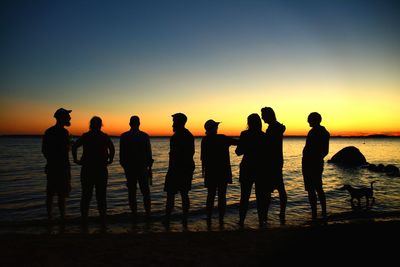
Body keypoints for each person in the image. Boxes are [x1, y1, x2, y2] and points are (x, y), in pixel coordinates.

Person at [72, 116, 115, 226]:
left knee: (86, 195)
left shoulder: (86, 136)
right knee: (101, 195)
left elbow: (74, 146)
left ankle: (84, 219)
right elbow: (112, 148)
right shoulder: (104, 136)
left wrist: (75, 159)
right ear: (101, 125)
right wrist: (110, 159)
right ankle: (102, 219)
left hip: (88, 169)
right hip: (100, 169)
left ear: (91, 125)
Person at [201, 119, 238, 227]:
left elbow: (203, 158)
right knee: (222, 196)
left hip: (210, 171)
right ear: (214, 128)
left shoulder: (205, 140)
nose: (217, 128)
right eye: (216, 127)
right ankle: (221, 219)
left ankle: (209, 218)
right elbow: (237, 142)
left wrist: (204, 171)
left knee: (210, 195)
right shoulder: (222, 138)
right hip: (223, 171)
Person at [235, 113, 267, 227]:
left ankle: (241, 221)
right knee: (260, 196)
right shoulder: (264, 136)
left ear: (248, 122)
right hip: (260, 168)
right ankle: (261, 221)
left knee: (244, 196)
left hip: (247, 167)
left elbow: (238, 152)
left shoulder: (244, 134)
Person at [163, 113, 195, 227]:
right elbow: (191, 153)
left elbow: (175, 155)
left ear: (179, 122)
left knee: (171, 195)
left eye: (174, 121)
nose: (172, 124)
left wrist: (171, 169)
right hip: (186, 168)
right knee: (184, 194)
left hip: (177, 169)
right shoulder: (189, 135)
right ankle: (184, 219)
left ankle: (167, 219)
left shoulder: (176, 137)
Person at [120, 116, 153, 221]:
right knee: (145, 192)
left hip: (130, 168)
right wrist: (149, 167)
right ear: (139, 123)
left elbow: (122, 156)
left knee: (132, 192)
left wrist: (125, 167)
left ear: (130, 124)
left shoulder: (124, 136)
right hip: (142, 167)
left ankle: (134, 214)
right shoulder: (144, 136)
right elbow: (149, 154)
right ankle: (148, 214)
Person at [42, 108, 72, 222]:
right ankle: (62, 217)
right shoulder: (64, 133)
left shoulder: (48, 131)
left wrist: (51, 161)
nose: (70, 118)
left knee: (50, 193)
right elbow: (63, 150)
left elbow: (45, 150)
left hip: (52, 166)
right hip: (61, 167)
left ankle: (50, 217)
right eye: (68, 116)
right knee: (61, 194)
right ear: (61, 118)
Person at [261, 107, 287, 223]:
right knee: (279, 188)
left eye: (263, 115)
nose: (262, 117)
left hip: (272, 162)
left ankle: (267, 215)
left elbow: (269, 146)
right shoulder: (274, 127)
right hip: (275, 161)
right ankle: (280, 213)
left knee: (270, 190)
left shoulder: (273, 128)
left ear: (268, 115)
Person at [302, 112, 330, 220]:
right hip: (310, 163)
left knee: (315, 188)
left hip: (313, 164)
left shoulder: (320, 132)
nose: (308, 121)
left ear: (314, 120)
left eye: (309, 119)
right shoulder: (316, 132)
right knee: (315, 188)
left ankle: (318, 213)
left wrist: (314, 159)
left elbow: (325, 151)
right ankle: (319, 212)